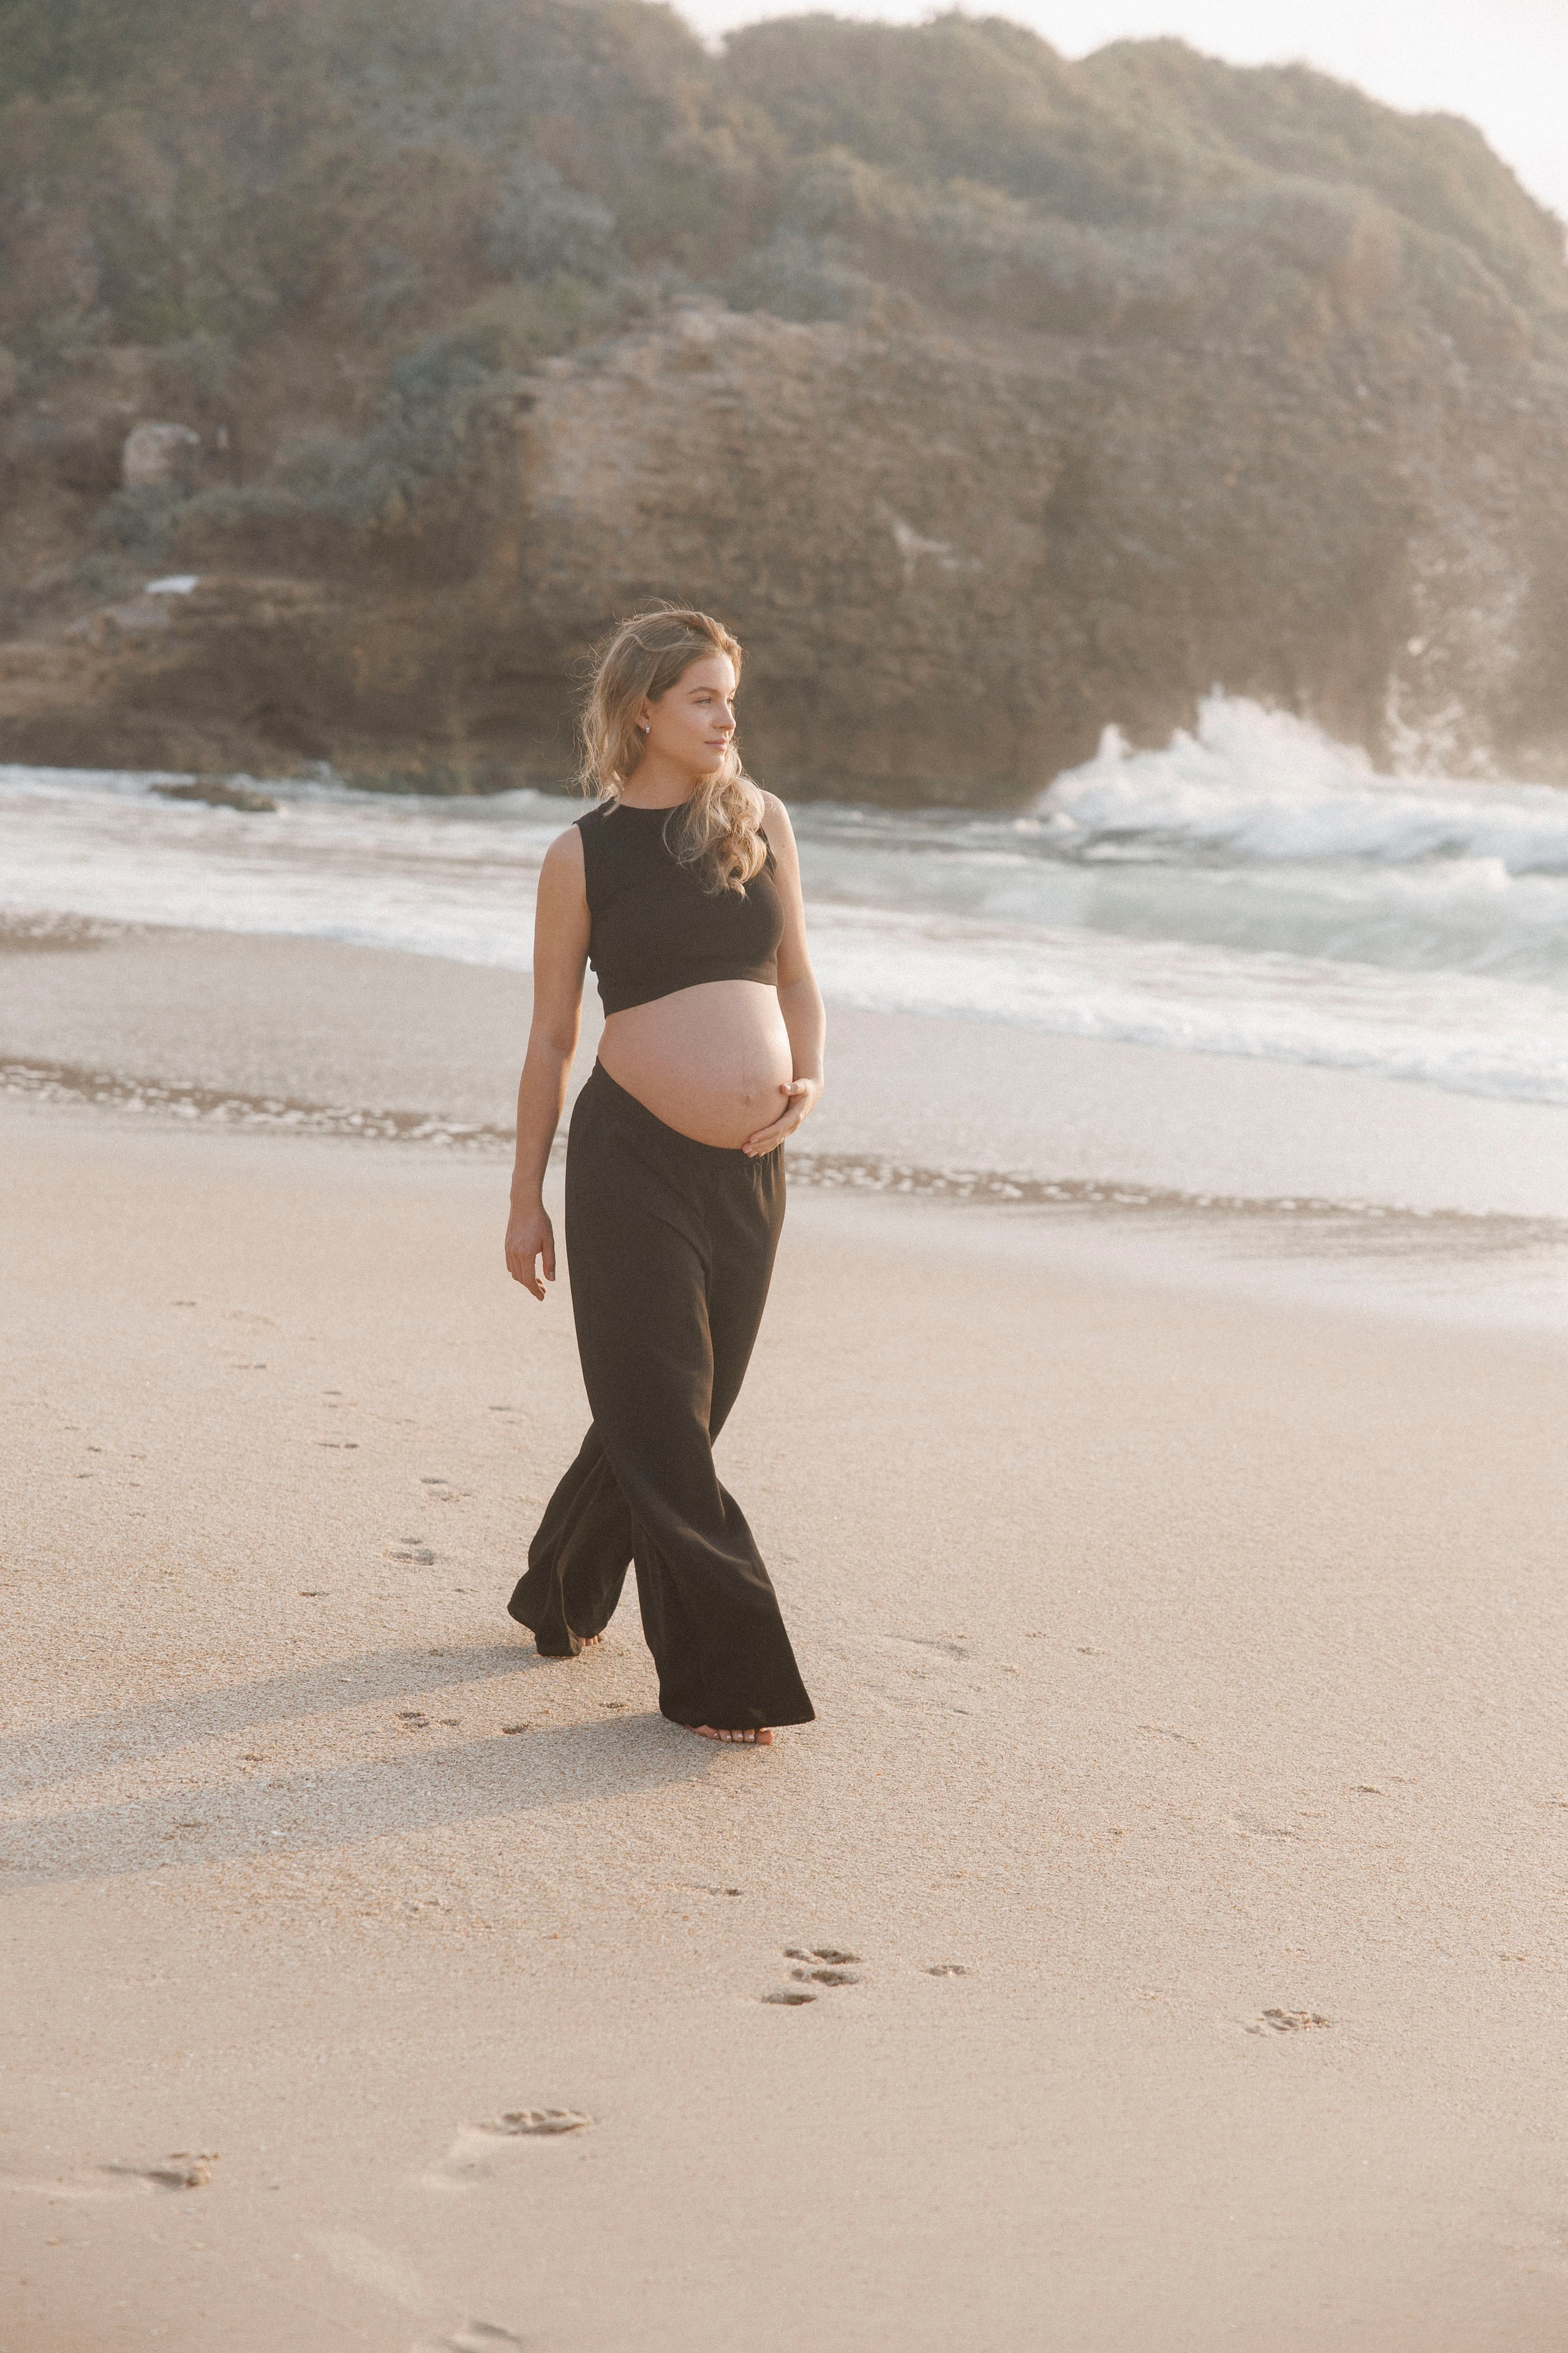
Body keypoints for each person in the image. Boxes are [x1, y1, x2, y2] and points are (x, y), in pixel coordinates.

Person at [503, 608, 821, 1745]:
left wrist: (808, 1086)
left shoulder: (762, 821)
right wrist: (525, 1197)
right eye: (703, 696)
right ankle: (722, 1677)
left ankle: (560, 1587)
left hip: (747, 1170)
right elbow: (549, 1038)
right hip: (628, 1158)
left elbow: (797, 981)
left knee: (676, 1409)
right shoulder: (581, 853)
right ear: (643, 709)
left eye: (731, 695)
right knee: (668, 1430)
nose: (728, 716)